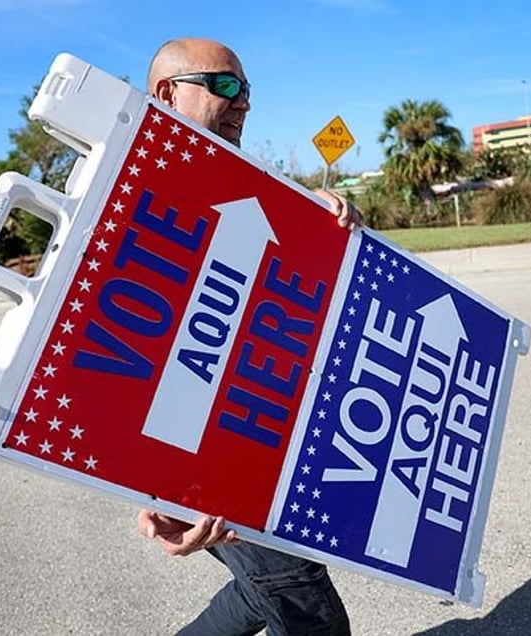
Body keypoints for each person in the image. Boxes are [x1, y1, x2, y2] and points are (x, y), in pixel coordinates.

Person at [137, 37, 361, 636]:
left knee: (260, 588)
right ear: (168, 93)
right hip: (202, 465)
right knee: (308, 611)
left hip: (259, 442)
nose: (243, 104)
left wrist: (319, 217)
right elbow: (111, 351)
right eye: (227, 87)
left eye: (248, 91)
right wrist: (157, 488)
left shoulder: (239, 174)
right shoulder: (135, 188)